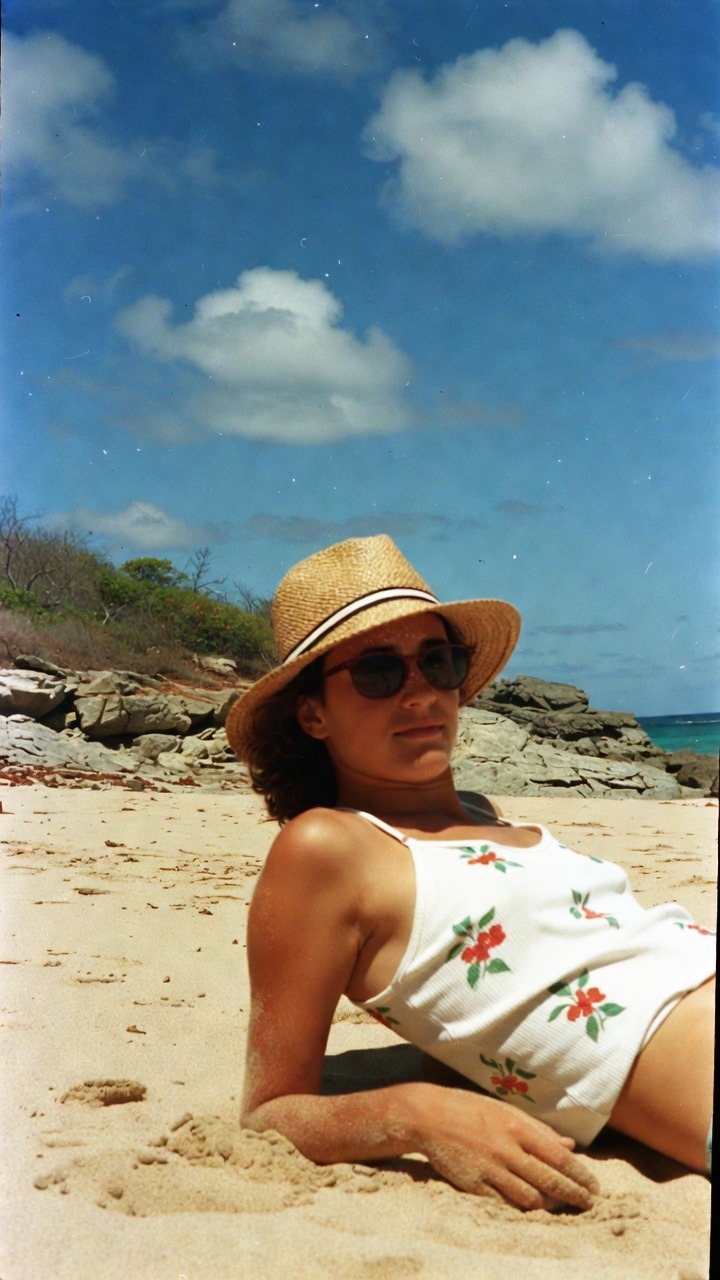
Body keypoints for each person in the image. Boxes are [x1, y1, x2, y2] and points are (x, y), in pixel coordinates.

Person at [226, 535, 715, 1211]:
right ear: (313, 713)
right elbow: (271, 1110)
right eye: (378, 672)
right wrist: (422, 1116)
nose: (421, 691)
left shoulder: (485, 813)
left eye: (439, 661)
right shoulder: (327, 847)